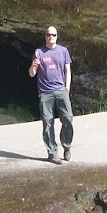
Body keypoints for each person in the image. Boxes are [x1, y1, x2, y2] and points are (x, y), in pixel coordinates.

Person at [29, 24, 74, 163]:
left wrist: (66, 88)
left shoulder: (63, 51)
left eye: (53, 35)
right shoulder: (39, 52)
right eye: (48, 35)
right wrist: (34, 66)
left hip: (61, 90)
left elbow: (68, 71)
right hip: (45, 93)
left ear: (57, 36)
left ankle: (66, 146)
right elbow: (31, 74)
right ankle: (52, 153)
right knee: (47, 123)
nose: (51, 37)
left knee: (67, 118)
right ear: (45, 36)